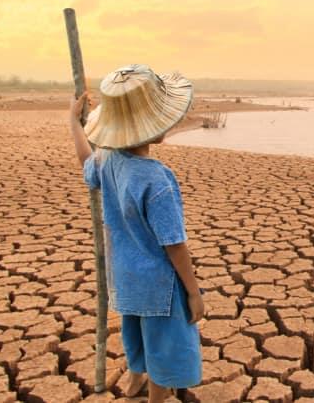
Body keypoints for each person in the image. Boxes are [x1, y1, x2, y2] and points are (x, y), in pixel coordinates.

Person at [69, 64, 203, 403]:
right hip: (159, 285)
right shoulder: (156, 180)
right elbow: (173, 244)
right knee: (162, 349)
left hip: (124, 277)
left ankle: (133, 383)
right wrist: (193, 291)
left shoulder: (108, 159)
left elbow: (87, 161)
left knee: (136, 338)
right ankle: (156, 397)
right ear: (156, 126)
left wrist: (74, 124)